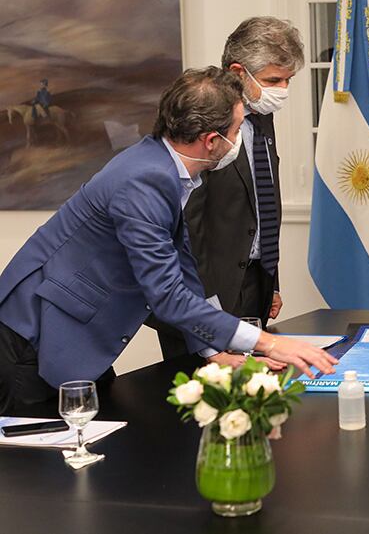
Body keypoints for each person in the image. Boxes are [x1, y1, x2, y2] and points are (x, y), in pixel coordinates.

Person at [0, 67, 336, 415]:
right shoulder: (144, 180)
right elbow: (166, 294)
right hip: (35, 337)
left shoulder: (165, 167)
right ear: (211, 140)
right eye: (236, 131)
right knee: (45, 461)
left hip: (71, 338)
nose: (237, 141)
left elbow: (184, 269)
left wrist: (211, 350)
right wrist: (269, 343)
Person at [150, 17, 304, 366]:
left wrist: (270, 276)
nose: (282, 89)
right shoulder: (198, 114)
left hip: (254, 281)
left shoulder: (262, 115)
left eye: (288, 79)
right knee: (200, 405)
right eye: (273, 80)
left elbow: (262, 200)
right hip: (203, 290)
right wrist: (203, 305)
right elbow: (187, 222)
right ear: (238, 72)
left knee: (251, 400)